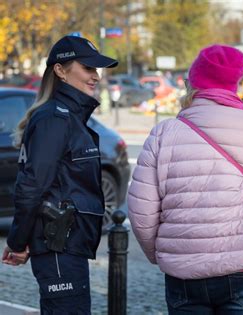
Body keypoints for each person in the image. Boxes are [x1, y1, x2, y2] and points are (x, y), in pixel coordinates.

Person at [127, 44, 243, 315]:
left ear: (195, 82)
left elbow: (140, 212)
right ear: (233, 83)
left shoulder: (163, 133)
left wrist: (166, 253)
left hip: (185, 276)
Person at [1, 35, 118, 314]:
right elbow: (31, 185)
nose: (96, 76)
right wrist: (18, 242)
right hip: (58, 243)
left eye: (96, 69)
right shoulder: (54, 118)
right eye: (87, 68)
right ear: (60, 70)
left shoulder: (68, 117)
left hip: (68, 244)